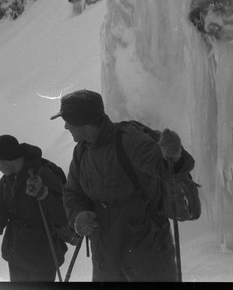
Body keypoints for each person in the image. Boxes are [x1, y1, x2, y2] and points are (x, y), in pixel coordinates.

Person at [54, 89, 193, 282]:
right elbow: (72, 193)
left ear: (82, 120)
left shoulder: (128, 139)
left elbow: (165, 167)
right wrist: (78, 214)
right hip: (105, 255)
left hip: (146, 250)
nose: (66, 126)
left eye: (68, 120)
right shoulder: (82, 152)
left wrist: (173, 156)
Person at [0, 134, 72, 281]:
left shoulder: (44, 174)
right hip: (16, 254)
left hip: (43, 256)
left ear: (7, 158)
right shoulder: (7, 179)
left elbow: (63, 215)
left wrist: (44, 195)